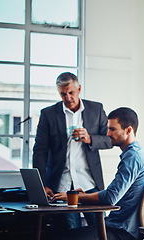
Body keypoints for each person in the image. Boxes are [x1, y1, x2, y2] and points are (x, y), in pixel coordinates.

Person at [51, 107, 144, 240]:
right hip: (120, 228)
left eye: (112, 129)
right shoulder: (138, 154)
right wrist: (84, 195)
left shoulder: (133, 158)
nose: (107, 134)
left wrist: (76, 197)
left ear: (128, 130)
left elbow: (110, 197)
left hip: (121, 232)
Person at [33, 72, 113, 229]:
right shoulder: (48, 114)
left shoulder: (96, 109)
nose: (67, 98)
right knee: (71, 232)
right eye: (63, 94)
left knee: (101, 229)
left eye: (71, 92)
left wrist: (90, 138)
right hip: (62, 186)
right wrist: (42, 184)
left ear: (79, 89)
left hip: (90, 184)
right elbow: (39, 150)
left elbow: (110, 140)